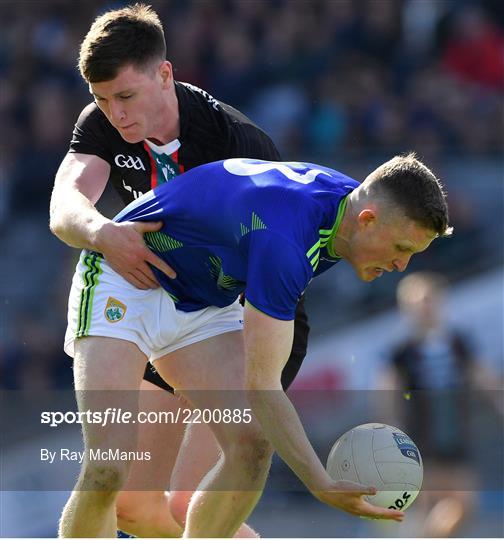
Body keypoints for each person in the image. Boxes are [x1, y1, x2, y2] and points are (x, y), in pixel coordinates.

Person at [57, 152, 452, 537]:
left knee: (252, 442)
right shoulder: (286, 242)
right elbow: (262, 386)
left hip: (203, 301)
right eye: (401, 250)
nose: (401, 267)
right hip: (126, 276)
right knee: (108, 466)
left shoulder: (348, 208)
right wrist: (321, 483)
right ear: (368, 221)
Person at [49, 4, 308, 537]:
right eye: (101, 100)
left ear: (164, 75)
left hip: (240, 316)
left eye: (125, 97)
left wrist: (238, 358)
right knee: (130, 502)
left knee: (190, 501)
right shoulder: (101, 124)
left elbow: (282, 262)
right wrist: (104, 234)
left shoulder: (235, 143)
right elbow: (64, 204)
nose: (115, 114)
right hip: (156, 304)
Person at [379, 272, 495, 537]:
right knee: (428, 506)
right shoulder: (402, 349)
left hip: (455, 432)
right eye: (419, 302)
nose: (426, 308)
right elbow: (387, 389)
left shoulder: (458, 342)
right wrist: (390, 427)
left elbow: (483, 376)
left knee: (463, 505)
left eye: (430, 300)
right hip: (420, 436)